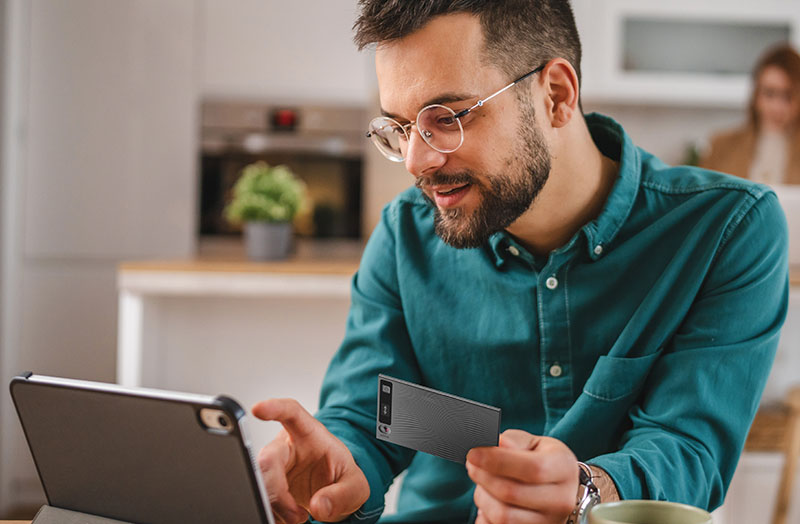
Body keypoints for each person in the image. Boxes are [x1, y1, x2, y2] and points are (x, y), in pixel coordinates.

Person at [252, 2, 790, 523]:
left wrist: (584, 494)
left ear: (556, 94)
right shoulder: (405, 237)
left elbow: (685, 446)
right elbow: (376, 417)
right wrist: (338, 466)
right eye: (401, 125)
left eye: (448, 117)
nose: (417, 159)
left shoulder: (724, 230)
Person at [700, 44, 800, 184]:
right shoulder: (722, 146)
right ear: (756, 94)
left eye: (787, 96)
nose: (777, 107)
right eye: (769, 94)